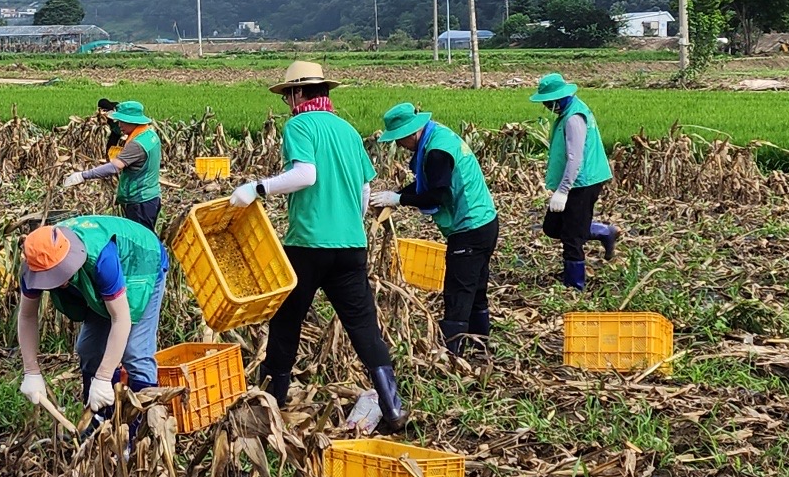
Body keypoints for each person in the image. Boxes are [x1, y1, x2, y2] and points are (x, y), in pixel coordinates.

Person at [228, 61, 407, 433]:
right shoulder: (347, 130)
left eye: (288, 95)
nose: (287, 103)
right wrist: (348, 224)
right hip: (351, 245)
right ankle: (392, 407)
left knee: (286, 322)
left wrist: (256, 188)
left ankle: (271, 403)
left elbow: (305, 175)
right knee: (362, 326)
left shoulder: (299, 125)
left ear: (297, 93)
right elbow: (364, 191)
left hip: (308, 243)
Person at [369, 103, 499, 357]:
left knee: (458, 294)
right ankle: (480, 347)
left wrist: (398, 200)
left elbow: (435, 196)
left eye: (399, 139)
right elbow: (426, 183)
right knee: (476, 290)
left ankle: (452, 355)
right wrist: (397, 193)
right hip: (486, 222)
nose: (400, 145)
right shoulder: (437, 135)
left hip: (469, 228)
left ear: (412, 132)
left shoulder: (436, 152)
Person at [16, 215, 167, 416]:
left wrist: (103, 377)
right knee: (89, 349)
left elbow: (121, 318)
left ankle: (142, 431)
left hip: (142, 263)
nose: (59, 282)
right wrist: (31, 371)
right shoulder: (34, 265)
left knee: (135, 353)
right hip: (104, 278)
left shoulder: (102, 259)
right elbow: (27, 316)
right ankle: (101, 420)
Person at [531, 73, 620, 290]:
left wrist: (563, 191)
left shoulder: (573, 118)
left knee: (571, 238)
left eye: (547, 102)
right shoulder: (568, 110)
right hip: (575, 179)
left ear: (557, 99)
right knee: (552, 227)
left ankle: (574, 286)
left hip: (583, 182)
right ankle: (603, 231)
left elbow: (575, 158)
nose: (546, 106)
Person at [62, 100, 163, 230]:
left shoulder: (137, 144)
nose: (119, 124)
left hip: (140, 200)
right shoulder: (150, 135)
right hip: (151, 196)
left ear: (133, 121)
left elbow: (114, 167)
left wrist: (82, 175)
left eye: (122, 121)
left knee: (141, 241)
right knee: (145, 237)